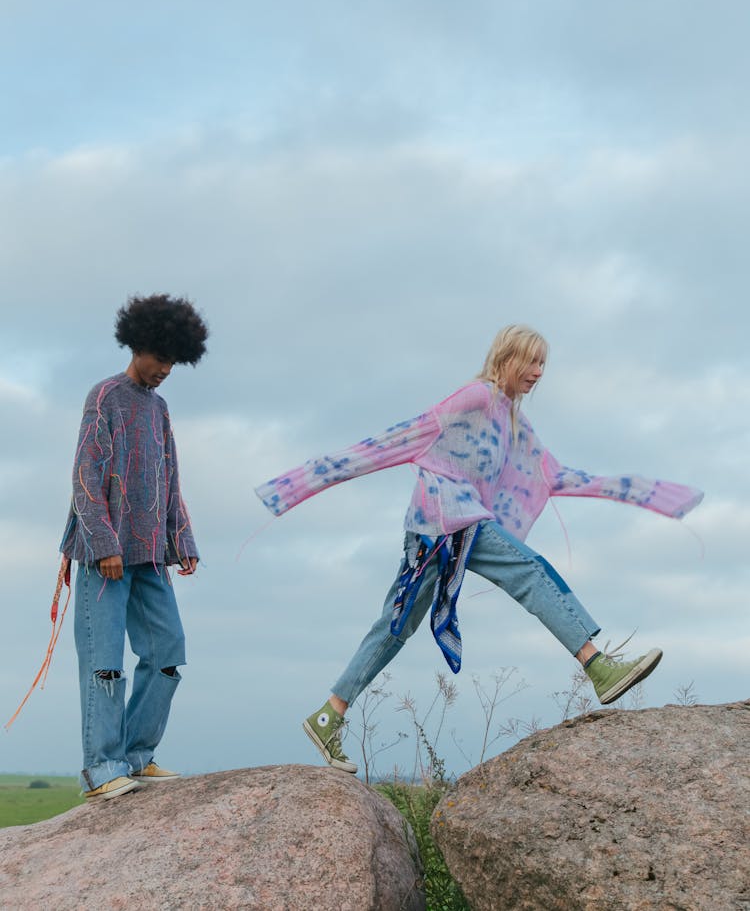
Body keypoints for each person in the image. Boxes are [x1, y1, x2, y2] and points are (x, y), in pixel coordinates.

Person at [255, 325, 703, 774]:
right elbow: (404, 437)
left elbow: (553, 474)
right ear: (506, 359)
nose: (538, 372)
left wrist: (642, 492)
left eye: (543, 363)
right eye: (530, 361)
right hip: (441, 520)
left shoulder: (513, 421)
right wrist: (306, 480)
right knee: (527, 571)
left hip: (451, 526)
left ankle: (328, 715)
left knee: (396, 626)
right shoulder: (474, 397)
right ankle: (598, 665)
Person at [60, 294, 208, 800]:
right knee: (105, 662)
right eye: (159, 358)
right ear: (137, 345)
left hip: (150, 557)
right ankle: (101, 768)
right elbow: (85, 477)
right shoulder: (104, 397)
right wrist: (104, 542)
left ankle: (138, 757)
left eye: (173, 361)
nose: (165, 369)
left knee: (167, 651)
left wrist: (182, 539)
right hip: (105, 559)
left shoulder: (160, 410)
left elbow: (170, 479)